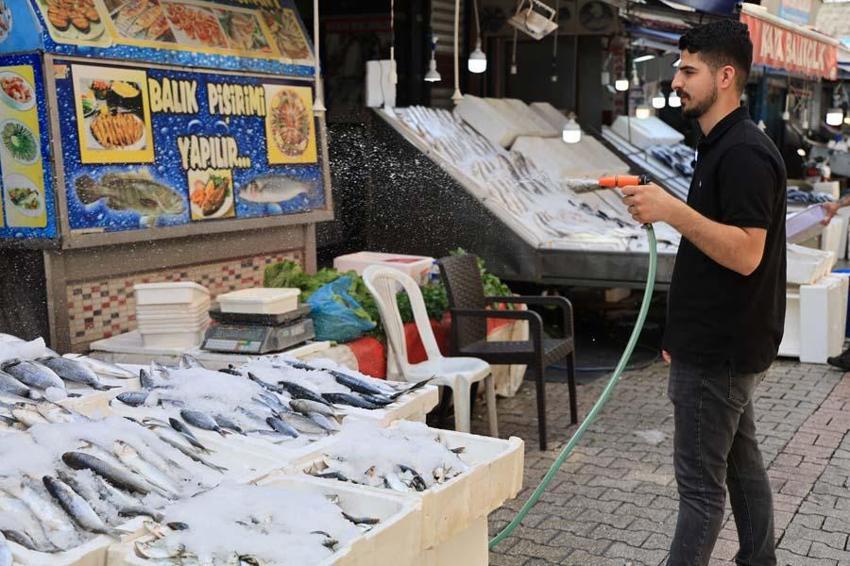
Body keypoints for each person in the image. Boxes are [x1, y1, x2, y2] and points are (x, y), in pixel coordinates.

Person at [620, 20, 786, 566]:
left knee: (700, 490)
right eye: (677, 70)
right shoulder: (718, 144)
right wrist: (679, 332)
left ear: (726, 76)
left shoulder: (743, 152)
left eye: (689, 71)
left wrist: (672, 211)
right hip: (717, 342)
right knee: (741, 466)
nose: (676, 82)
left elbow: (745, 253)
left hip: (720, 350)